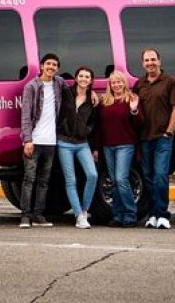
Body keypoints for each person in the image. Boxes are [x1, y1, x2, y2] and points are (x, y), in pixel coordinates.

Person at [132, 48, 175, 229]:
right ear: (142, 63)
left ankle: (163, 215)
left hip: (162, 137)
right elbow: (133, 106)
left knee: (160, 175)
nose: (150, 63)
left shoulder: (170, 82)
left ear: (159, 61)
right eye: (147, 60)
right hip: (144, 138)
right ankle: (152, 214)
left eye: (153, 59)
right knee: (148, 177)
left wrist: (169, 132)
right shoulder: (140, 84)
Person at [19, 53, 68, 228]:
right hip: (35, 140)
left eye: (55, 65)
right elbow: (25, 116)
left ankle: (39, 215)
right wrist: (27, 140)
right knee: (29, 179)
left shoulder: (58, 83)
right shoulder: (31, 87)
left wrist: (92, 93)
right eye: (48, 64)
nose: (51, 67)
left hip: (51, 142)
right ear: (41, 66)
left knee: (44, 181)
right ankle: (25, 215)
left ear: (58, 69)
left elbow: (78, 88)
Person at [94, 70, 143, 227]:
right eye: (113, 82)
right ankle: (118, 215)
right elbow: (99, 128)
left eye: (119, 82)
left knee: (122, 179)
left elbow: (140, 124)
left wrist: (134, 110)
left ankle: (130, 214)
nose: (116, 85)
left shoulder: (131, 99)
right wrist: (96, 148)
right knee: (113, 180)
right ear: (110, 84)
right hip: (108, 146)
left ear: (124, 83)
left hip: (125, 145)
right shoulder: (105, 101)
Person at [57, 66, 99, 229]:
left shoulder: (92, 100)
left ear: (91, 80)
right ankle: (78, 215)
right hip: (64, 142)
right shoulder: (66, 92)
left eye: (87, 77)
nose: (84, 79)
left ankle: (85, 210)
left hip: (82, 143)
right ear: (75, 78)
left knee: (92, 175)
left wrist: (85, 132)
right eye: (81, 76)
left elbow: (93, 122)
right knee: (71, 180)